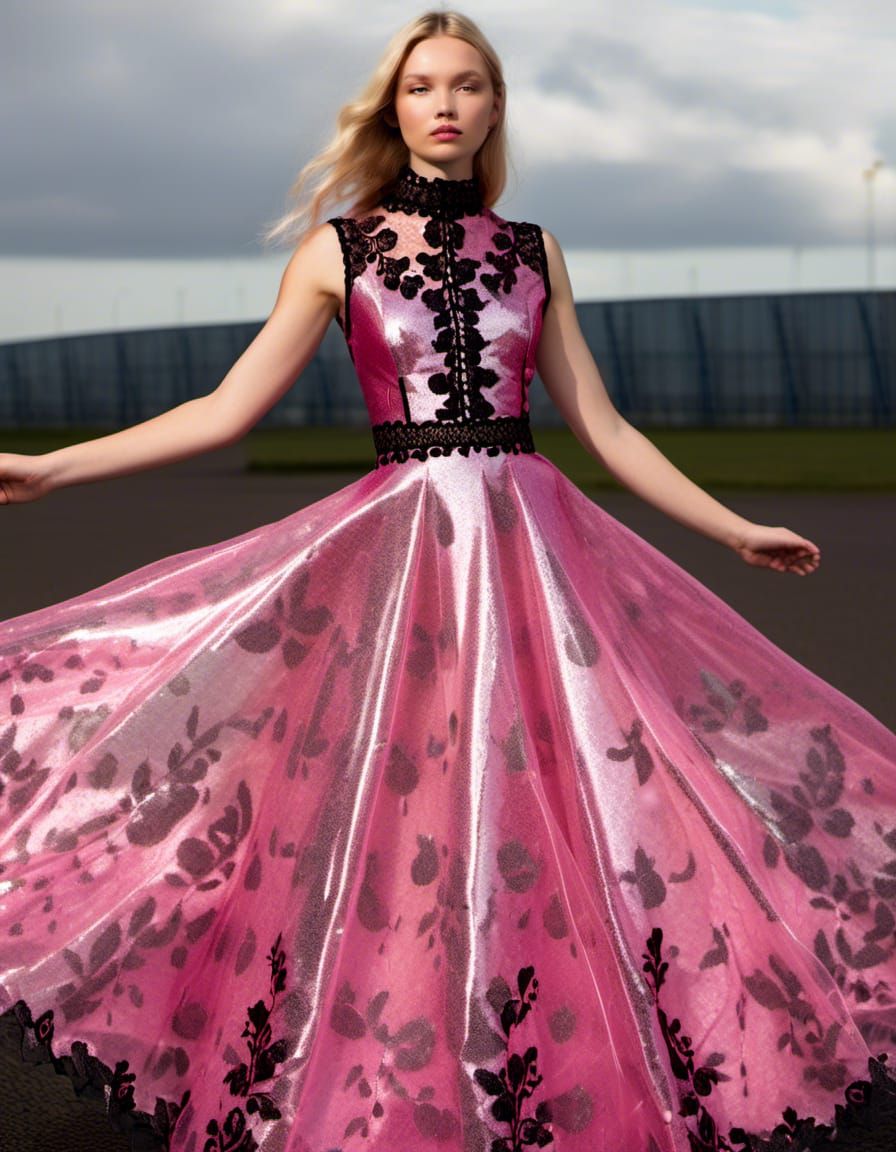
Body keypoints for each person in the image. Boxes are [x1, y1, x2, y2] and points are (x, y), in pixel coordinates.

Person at [1, 10, 894, 1152]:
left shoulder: (531, 250)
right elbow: (226, 410)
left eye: (467, 84)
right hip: (405, 555)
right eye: (422, 84)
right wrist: (52, 465)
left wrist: (730, 528)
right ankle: (391, 1066)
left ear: (491, 109)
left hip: (537, 556)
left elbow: (605, 430)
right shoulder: (339, 250)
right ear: (394, 107)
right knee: (407, 808)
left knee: (577, 804)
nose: (444, 103)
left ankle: (565, 1054)